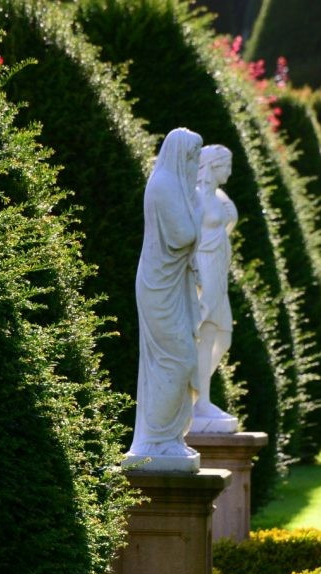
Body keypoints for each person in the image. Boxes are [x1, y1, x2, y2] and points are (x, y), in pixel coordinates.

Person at [128, 128, 204, 468]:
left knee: (175, 359)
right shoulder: (165, 186)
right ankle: (155, 438)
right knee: (177, 360)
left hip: (171, 283)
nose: (196, 164)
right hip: (160, 286)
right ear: (180, 155)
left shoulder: (174, 185)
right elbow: (183, 234)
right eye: (193, 157)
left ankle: (168, 437)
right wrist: (199, 208)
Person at [192, 144, 238, 432]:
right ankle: (199, 401)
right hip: (204, 268)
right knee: (206, 335)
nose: (230, 172)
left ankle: (193, 395)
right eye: (226, 166)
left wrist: (230, 216)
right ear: (212, 166)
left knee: (224, 337)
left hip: (219, 269)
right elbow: (188, 235)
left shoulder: (218, 197)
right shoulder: (194, 197)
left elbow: (222, 227)